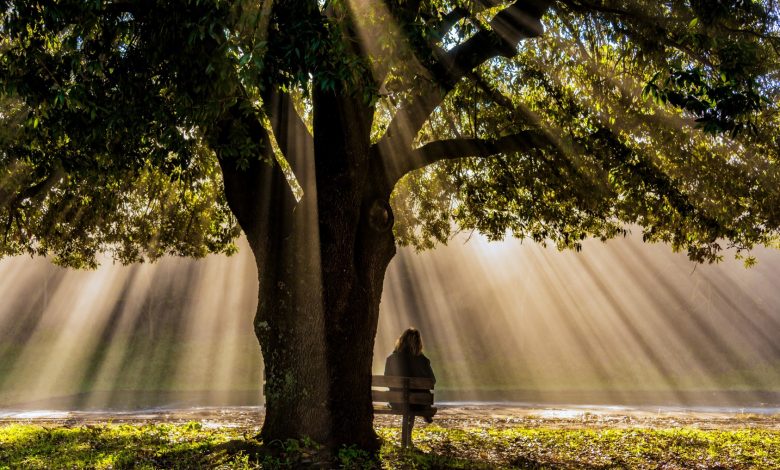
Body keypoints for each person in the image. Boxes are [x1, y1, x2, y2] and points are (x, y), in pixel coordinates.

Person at [384, 328, 436, 429]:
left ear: (401, 340)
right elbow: (432, 381)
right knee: (415, 398)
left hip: (396, 402)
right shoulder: (423, 360)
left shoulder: (391, 359)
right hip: (418, 403)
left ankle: (407, 439)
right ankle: (425, 414)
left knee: (408, 397)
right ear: (418, 342)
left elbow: (387, 381)